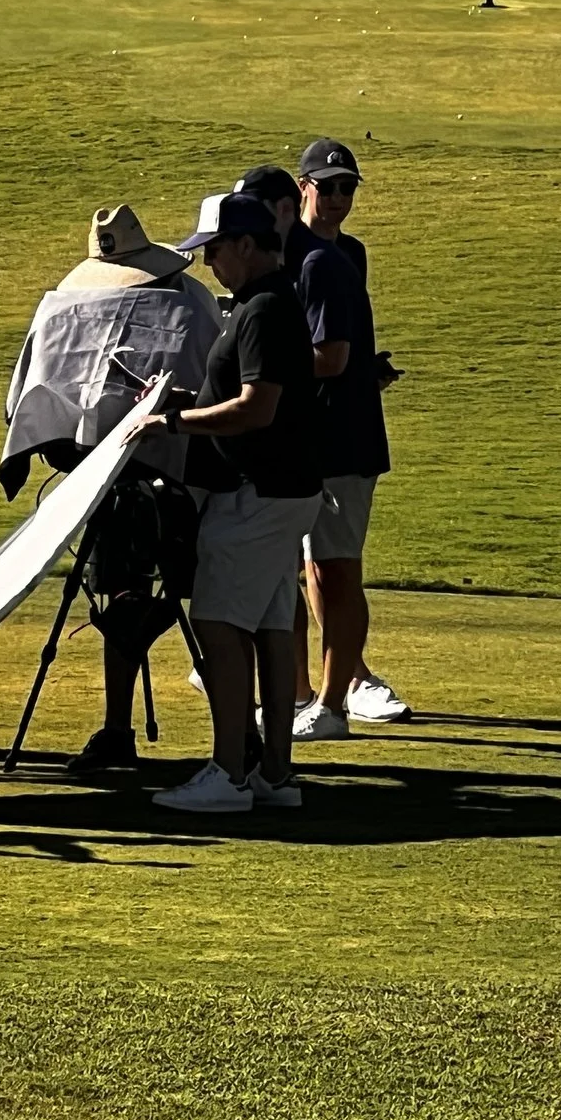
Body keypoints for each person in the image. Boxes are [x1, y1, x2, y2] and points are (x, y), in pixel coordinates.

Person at [0, 205, 221, 774]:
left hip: (158, 472)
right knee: (126, 594)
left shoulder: (173, 303)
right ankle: (126, 728)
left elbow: (22, 401)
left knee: (190, 596)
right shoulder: (177, 300)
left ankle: (226, 738)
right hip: (114, 476)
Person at [133, 191, 323, 814]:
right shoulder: (265, 302)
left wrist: (173, 422)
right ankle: (273, 772)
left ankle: (230, 774)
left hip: (255, 493)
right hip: (282, 490)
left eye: (214, 250)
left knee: (219, 624)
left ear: (246, 244)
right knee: (269, 626)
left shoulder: (263, 307)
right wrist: (184, 402)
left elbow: (256, 408)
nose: (209, 262)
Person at [235, 155, 412, 731]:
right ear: (303, 190)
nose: (338, 197)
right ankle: (305, 692)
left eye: (346, 188)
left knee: (336, 571)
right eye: (329, 187)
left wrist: (259, 371)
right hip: (311, 437)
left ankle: (337, 700)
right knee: (307, 568)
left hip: (341, 440)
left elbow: (330, 356)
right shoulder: (292, 261)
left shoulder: (320, 262)